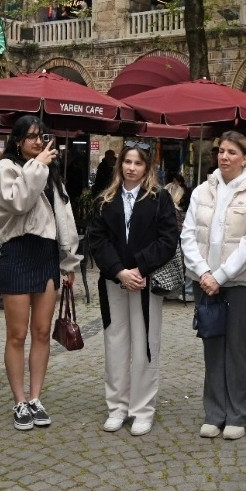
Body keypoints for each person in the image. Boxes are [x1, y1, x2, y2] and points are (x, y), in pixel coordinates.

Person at [0, 115, 82, 431]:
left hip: (46, 255)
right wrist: (38, 165)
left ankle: (35, 398)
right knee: (17, 334)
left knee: (42, 332)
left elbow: (65, 219)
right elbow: (18, 202)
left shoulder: (51, 173)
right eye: (30, 136)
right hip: (18, 252)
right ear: (18, 141)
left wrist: (68, 261)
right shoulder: (7, 168)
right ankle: (19, 401)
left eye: (42, 136)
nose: (37, 141)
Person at [86, 141, 181, 436]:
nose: (131, 167)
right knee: (115, 344)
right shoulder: (105, 199)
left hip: (144, 280)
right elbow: (97, 239)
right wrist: (119, 271)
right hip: (114, 280)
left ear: (147, 167)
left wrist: (140, 268)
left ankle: (142, 409)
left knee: (145, 346)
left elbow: (168, 239)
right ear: (120, 165)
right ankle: (117, 407)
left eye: (138, 163)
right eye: (127, 162)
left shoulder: (159, 198)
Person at [182, 131, 246, 440]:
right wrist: (204, 272)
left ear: (245, 158)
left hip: (241, 283)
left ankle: (237, 414)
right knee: (213, 347)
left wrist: (220, 276)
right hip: (204, 281)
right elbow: (188, 234)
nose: (224, 156)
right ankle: (214, 413)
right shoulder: (202, 190)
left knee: (237, 349)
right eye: (221, 151)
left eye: (232, 152)